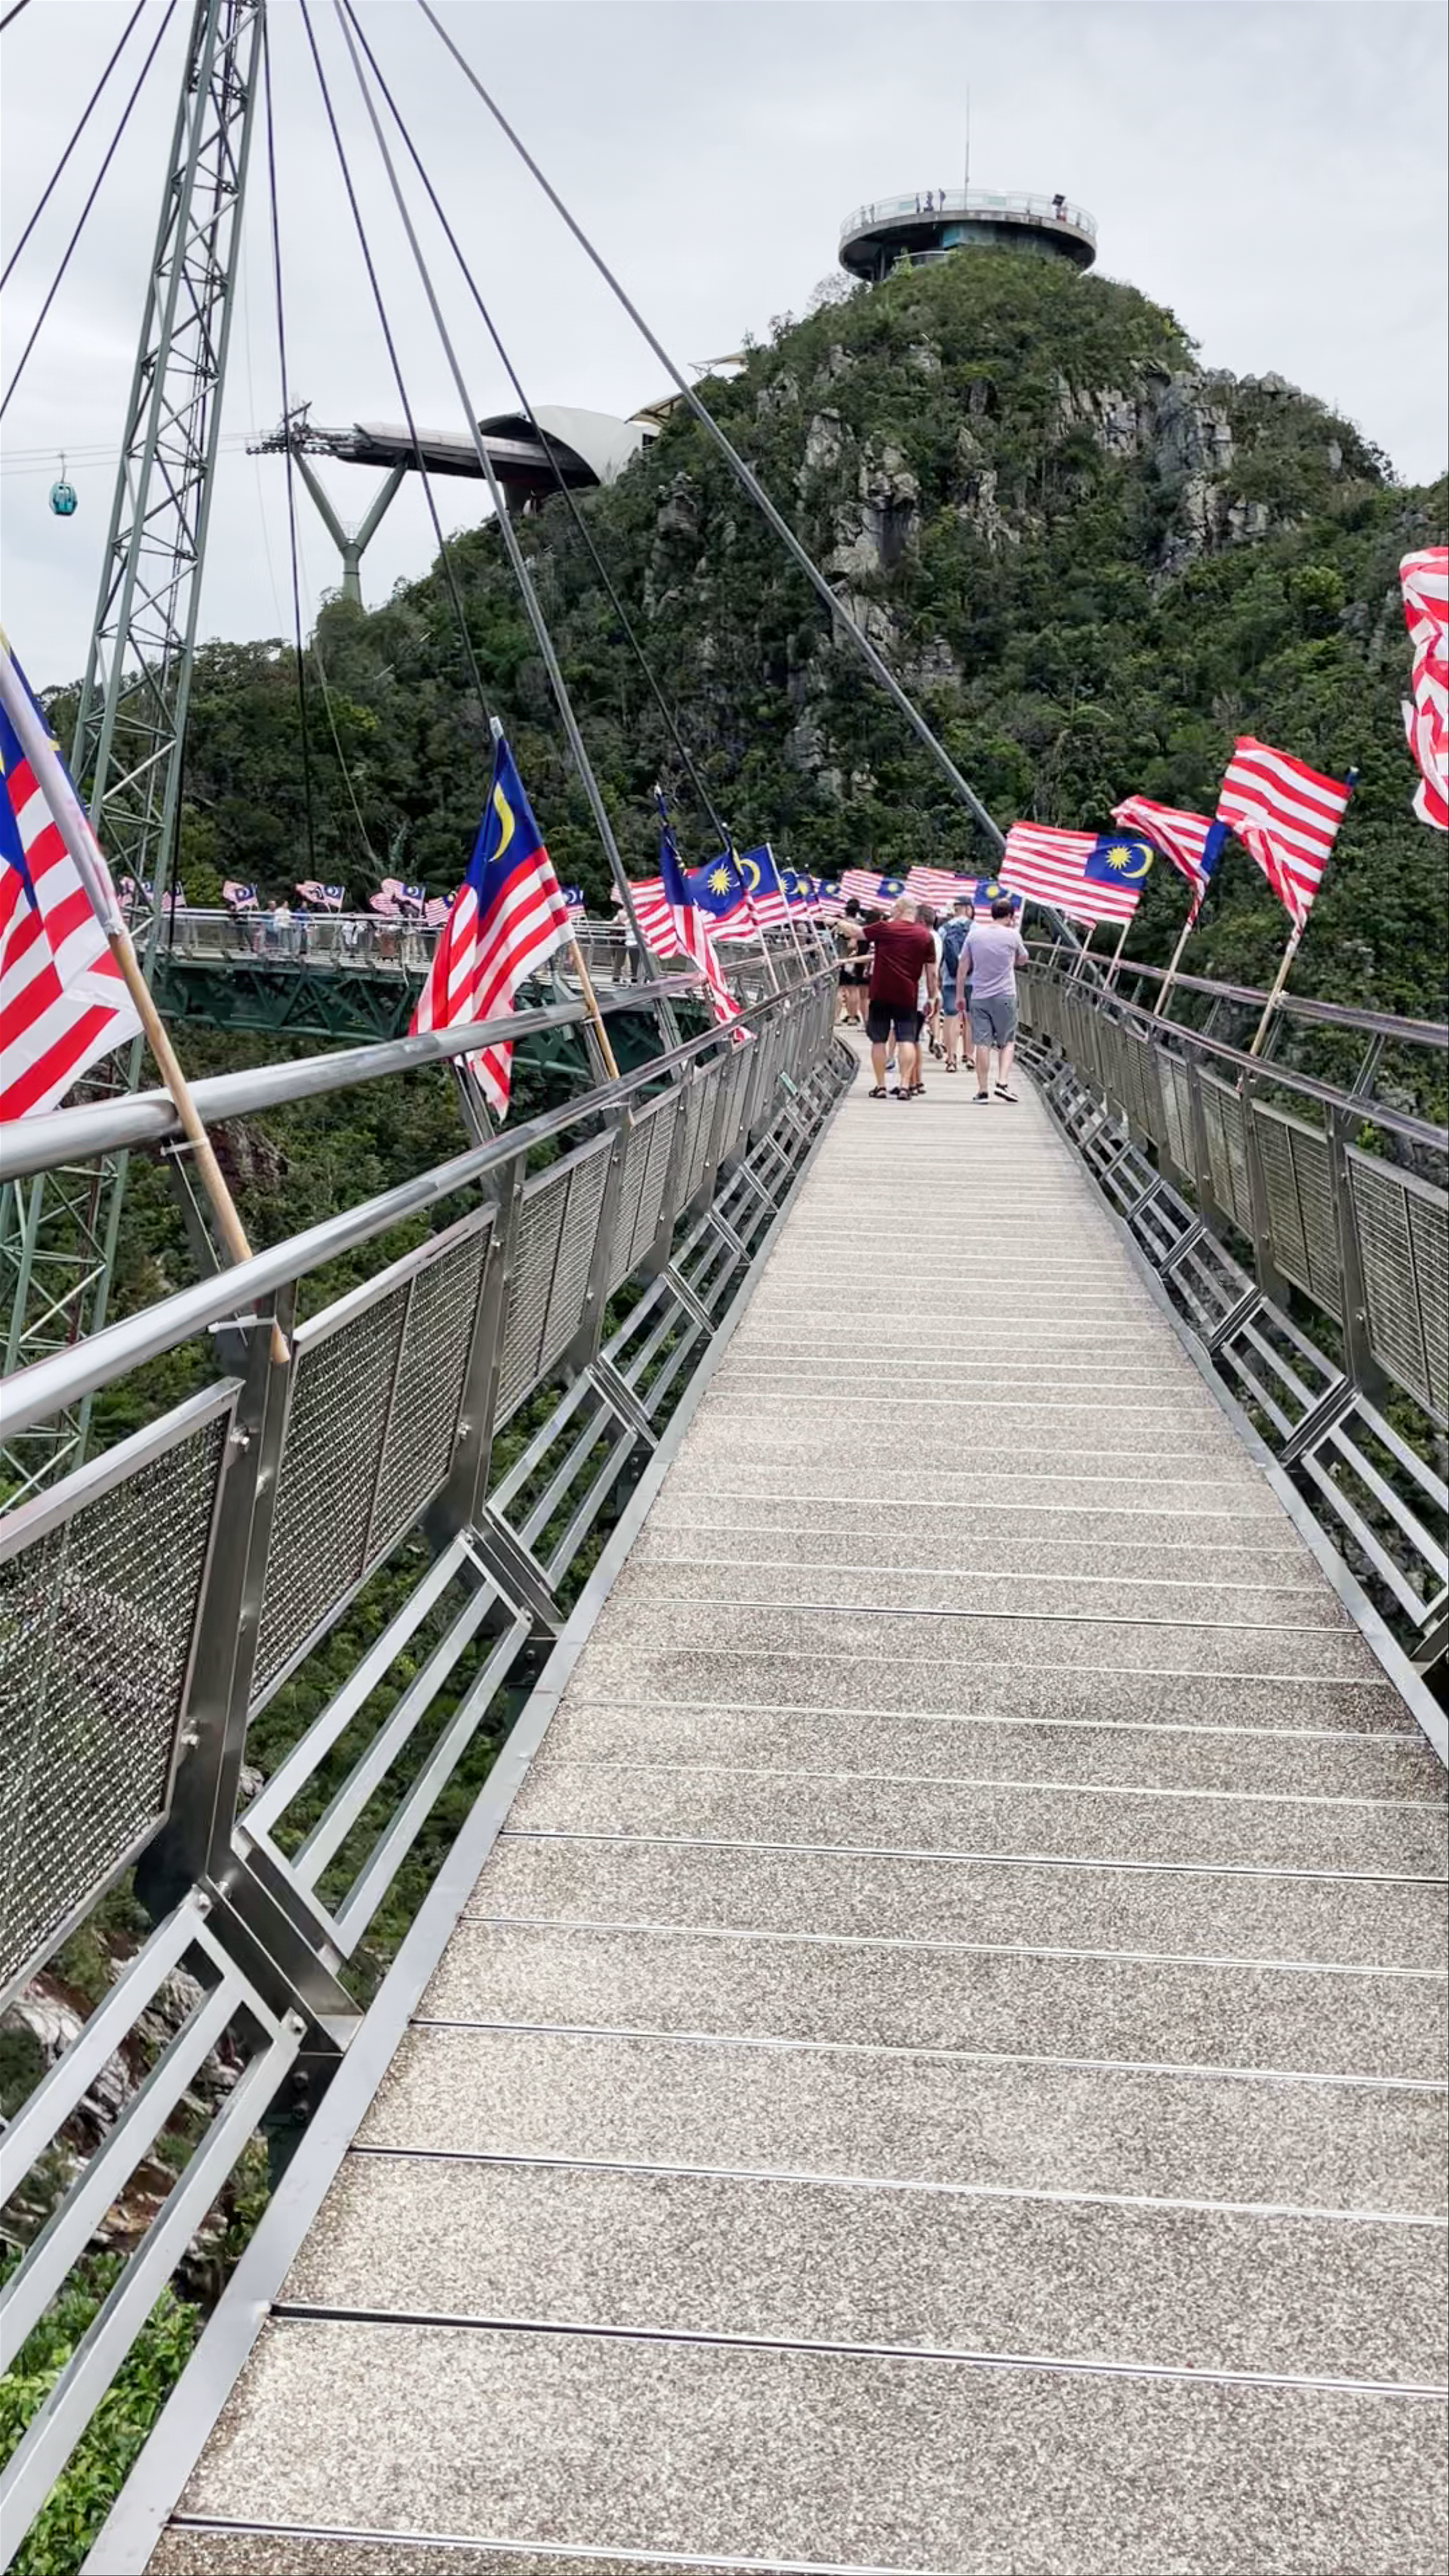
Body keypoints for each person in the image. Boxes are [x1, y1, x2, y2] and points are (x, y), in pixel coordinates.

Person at [860, 895, 937, 1100]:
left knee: (879, 1040)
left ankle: (881, 1085)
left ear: (901, 909)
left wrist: (837, 923)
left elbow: (857, 933)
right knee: (907, 1039)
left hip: (881, 993)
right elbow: (932, 972)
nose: (892, 910)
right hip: (907, 995)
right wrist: (931, 997)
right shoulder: (925, 937)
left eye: (894, 907)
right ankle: (904, 1085)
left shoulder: (885, 928)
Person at [964, 895, 1029, 1102]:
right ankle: (1002, 1083)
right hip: (1005, 996)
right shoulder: (1013, 936)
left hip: (979, 996)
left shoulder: (975, 935)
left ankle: (982, 1090)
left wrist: (959, 994)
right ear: (1010, 916)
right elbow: (1023, 959)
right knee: (1007, 1042)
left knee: (982, 1043)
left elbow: (963, 965)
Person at [937, 897, 974, 1072]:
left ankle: (951, 1059)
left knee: (951, 1017)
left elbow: (938, 956)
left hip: (950, 979)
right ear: (968, 909)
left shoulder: (944, 929)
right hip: (973, 979)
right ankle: (970, 1056)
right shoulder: (976, 929)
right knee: (970, 1017)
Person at [835, 898, 867, 1024]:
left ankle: (836, 1017)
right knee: (854, 989)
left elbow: (850, 944)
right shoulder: (862, 924)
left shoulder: (842, 924)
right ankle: (853, 1017)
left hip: (843, 957)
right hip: (858, 958)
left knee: (840, 989)